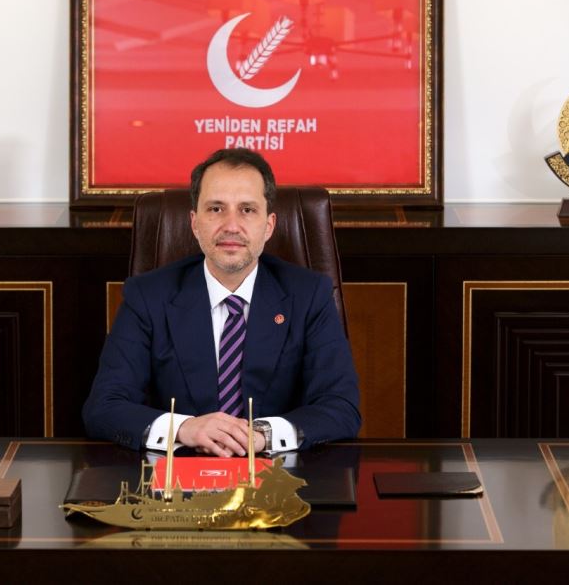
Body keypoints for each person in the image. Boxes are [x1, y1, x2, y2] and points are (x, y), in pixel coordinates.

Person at [82, 148, 360, 457]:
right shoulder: (148, 295)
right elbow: (104, 407)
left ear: (269, 225)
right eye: (216, 209)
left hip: (279, 473)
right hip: (177, 476)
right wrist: (184, 428)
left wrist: (261, 435)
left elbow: (342, 407)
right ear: (194, 223)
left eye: (247, 210)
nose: (231, 226)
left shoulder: (309, 295)